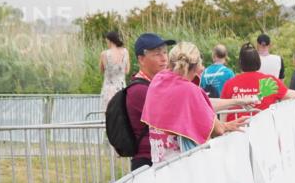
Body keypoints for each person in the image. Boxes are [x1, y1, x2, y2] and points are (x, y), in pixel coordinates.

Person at [141, 42, 247, 163]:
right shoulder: (189, 90)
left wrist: (237, 101)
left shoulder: (159, 80)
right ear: (197, 66)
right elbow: (218, 129)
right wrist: (226, 126)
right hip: (184, 164)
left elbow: (200, 104)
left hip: (159, 164)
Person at [125, 33, 175, 170]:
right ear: (141, 59)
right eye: (157, 54)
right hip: (147, 162)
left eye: (165, 52)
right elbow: (177, 114)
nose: (164, 58)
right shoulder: (139, 90)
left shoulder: (157, 84)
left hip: (161, 158)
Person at [221, 43, 295, 119]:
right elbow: (290, 95)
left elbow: (223, 112)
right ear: (258, 61)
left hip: (235, 132)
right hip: (264, 130)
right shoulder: (269, 81)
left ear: (240, 63)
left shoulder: (229, 84)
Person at [99, 31, 130, 110]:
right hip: (121, 87)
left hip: (108, 88)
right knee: (121, 112)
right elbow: (127, 70)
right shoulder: (125, 52)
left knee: (107, 113)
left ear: (109, 40)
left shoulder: (104, 54)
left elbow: (101, 70)